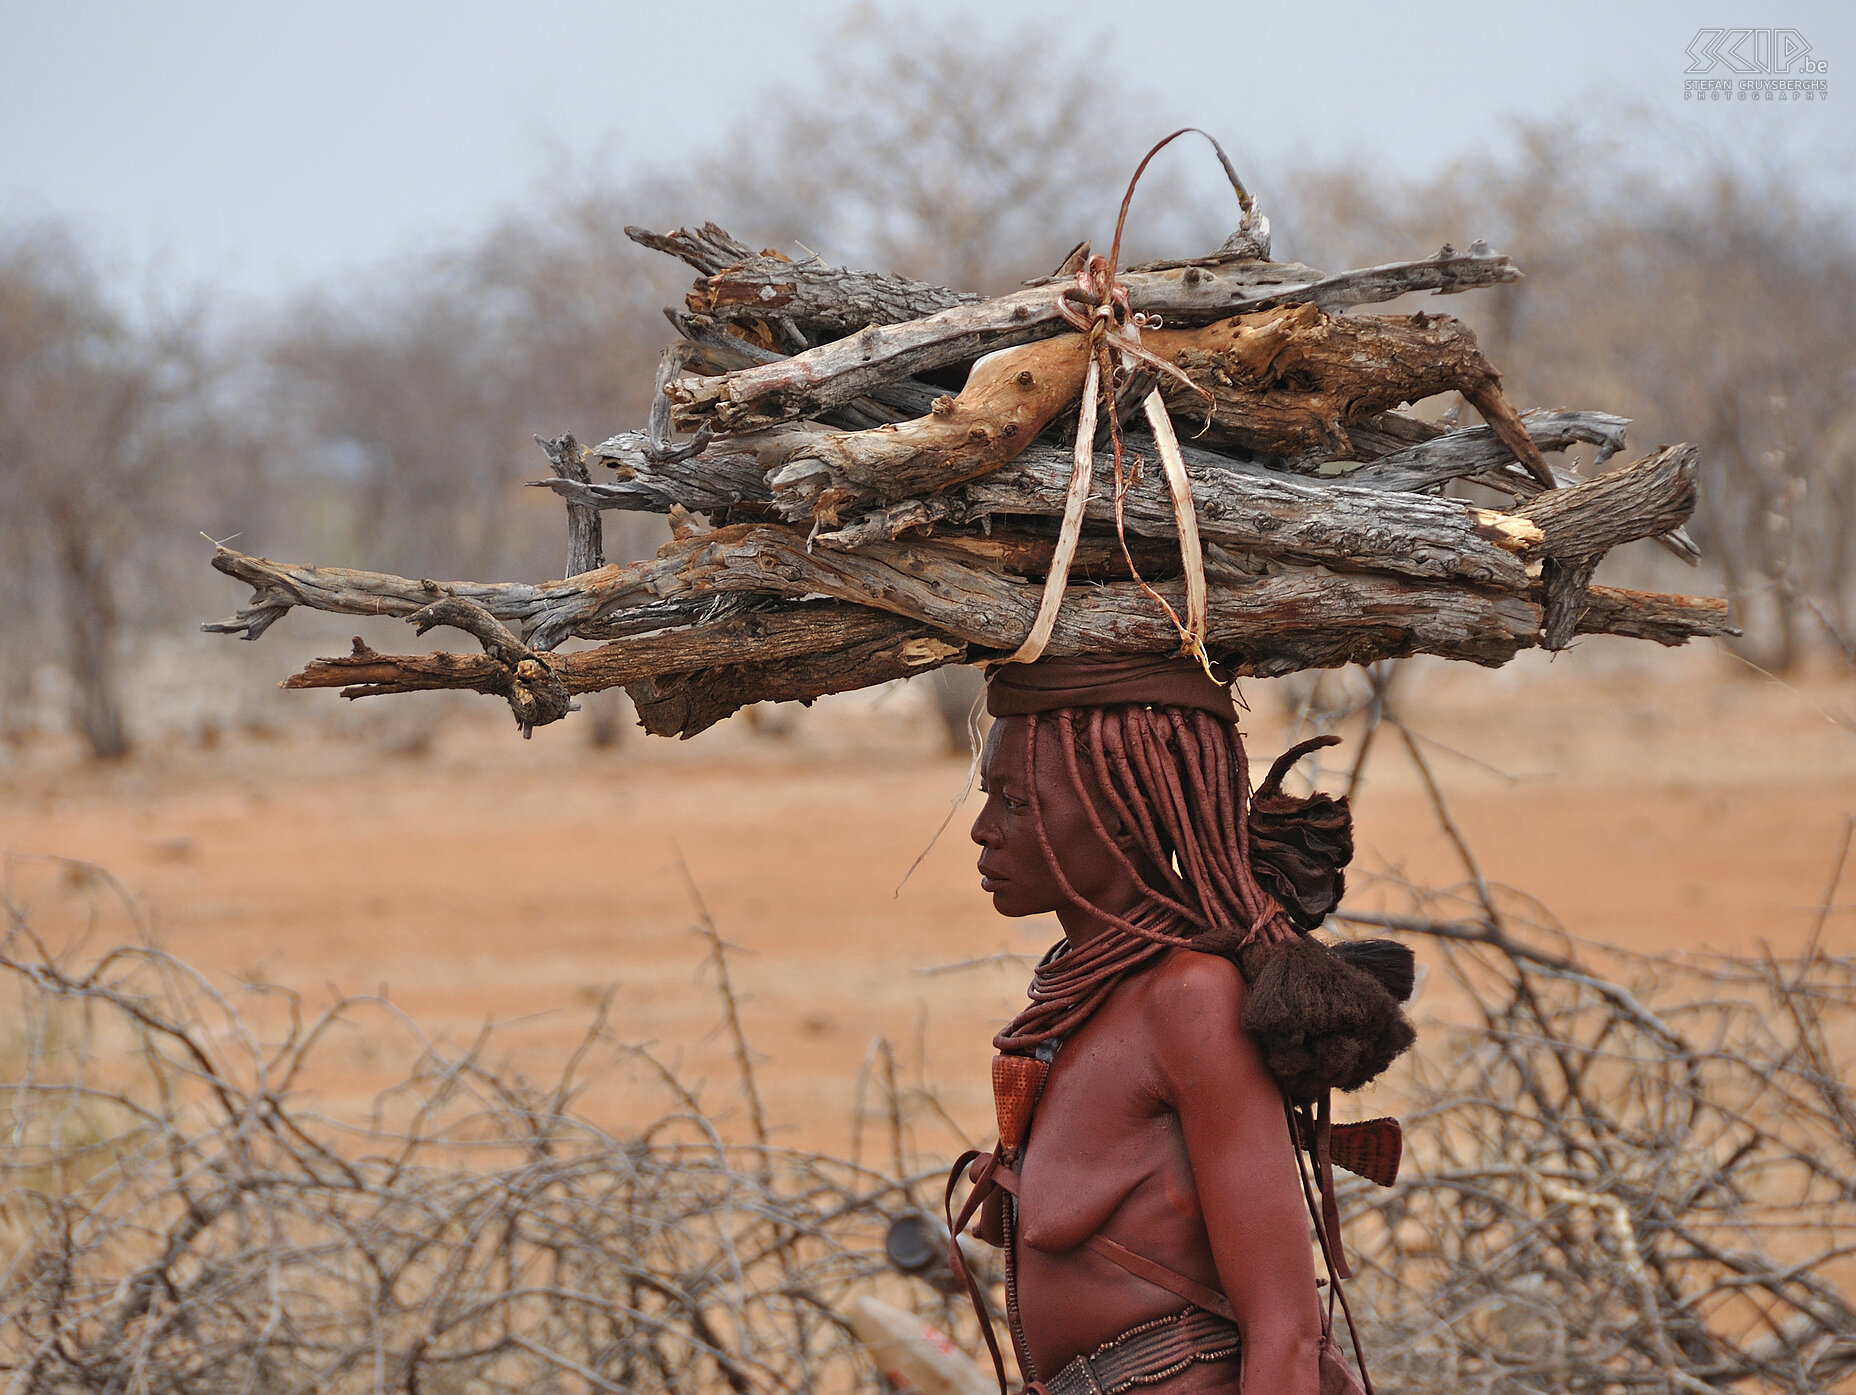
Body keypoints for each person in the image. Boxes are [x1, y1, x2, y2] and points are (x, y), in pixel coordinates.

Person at [949, 655, 1415, 1395]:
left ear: (1120, 818)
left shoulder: (1189, 1000)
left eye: (1015, 801)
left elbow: (1286, 1335)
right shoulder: (1081, 998)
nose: (982, 829)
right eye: (988, 795)